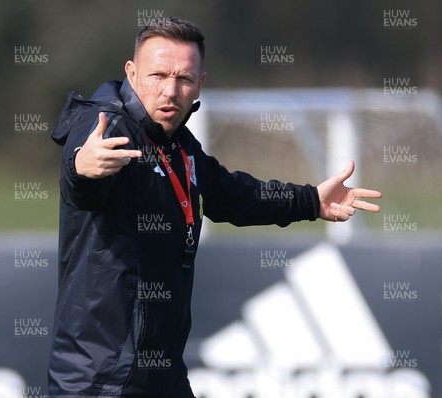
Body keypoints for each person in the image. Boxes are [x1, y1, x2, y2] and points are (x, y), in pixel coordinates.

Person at [49, 17, 381, 397]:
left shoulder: (181, 146)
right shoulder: (106, 123)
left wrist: (310, 201)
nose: (170, 91)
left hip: (163, 375)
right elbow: (84, 184)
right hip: (100, 380)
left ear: (200, 84)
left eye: (184, 79)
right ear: (132, 72)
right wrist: (82, 168)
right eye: (158, 76)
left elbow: (234, 195)